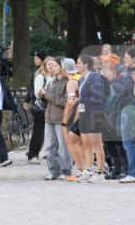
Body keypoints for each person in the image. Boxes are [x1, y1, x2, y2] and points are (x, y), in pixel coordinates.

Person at [75, 54, 107, 182]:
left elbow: (98, 97)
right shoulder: (82, 79)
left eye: (78, 63)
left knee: (97, 144)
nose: (76, 65)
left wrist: (81, 99)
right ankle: (88, 170)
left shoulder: (94, 77)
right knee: (86, 143)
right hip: (84, 113)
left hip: (94, 113)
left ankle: (100, 172)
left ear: (86, 64)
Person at [40, 57, 73, 181]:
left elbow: (65, 102)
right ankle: (53, 171)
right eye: (51, 65)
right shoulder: (51, 81)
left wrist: (47, 94)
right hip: (48, 118)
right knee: (49, 147)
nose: (52, 68)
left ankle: (66, 171)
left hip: (61, 119)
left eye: (55, 65)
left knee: (63, 147)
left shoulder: (67, 82)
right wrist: (42, 95)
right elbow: (48, 99)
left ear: (62, 67)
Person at [117, 48, 135, 183]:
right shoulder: (127, 72)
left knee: (129, 142)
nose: (124, 60)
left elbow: (128, 92)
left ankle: (134, 173)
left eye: (126, 58)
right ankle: (134, 172)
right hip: (125, 108)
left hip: (132, 108)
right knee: (129, 142)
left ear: (134, 58)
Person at [26, 51, 48, 163]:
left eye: (37, 58)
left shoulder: (46, 75)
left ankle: (35, 152)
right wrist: (27, 100)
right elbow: (33, 89)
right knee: (38, 131)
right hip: (40, 107)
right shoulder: (39, 75)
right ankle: (33, 154)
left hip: (46, 106)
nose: (35, 60)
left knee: (45, 132)